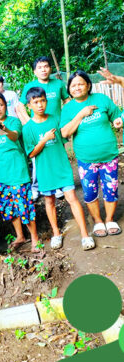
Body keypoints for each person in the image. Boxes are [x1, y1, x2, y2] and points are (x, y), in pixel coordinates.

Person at [22, 87, 94, 250]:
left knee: (72, 198)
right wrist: (45, 139)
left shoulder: (56, 119)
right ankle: (56, 233)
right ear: (29, 106)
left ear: (46, 102)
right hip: (45, 171)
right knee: (49, 201)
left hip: (62, 167)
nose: (40, 105)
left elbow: (66, 136)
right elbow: (31, 153)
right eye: (36, 102)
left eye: (42, 101)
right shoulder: (28, 128)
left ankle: (85, 235)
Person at [60, 70, 123, 238]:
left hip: (109, 156)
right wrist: (81, 114)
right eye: (73, 85)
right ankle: (97, 221)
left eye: (81, 84)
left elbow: (118, 115)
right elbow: (65, 132)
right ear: (69, 89)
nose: (77, 88)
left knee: (111, 189)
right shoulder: (68, 109)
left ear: (88, 85)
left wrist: (119, 120)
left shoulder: (101, 99)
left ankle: (109, 219)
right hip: (86, 159)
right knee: (89, 192)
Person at [0, 92, 39, 252]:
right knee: (10, 208)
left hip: (17, 172)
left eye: (0, 105)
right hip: (2, 175)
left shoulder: (14, 122)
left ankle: (35, 238)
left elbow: (14, 137)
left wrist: (5, 129)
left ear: (5, 106)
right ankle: (20, 236)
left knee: (25, 206)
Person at [17, 56, 70, 124]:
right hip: (38, 125)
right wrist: (29, 121)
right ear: (35, 72)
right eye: (39, 68)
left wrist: (64, 116)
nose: (43, 70)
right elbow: (21, 105)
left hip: (57, 124)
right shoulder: (29, 86)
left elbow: (67, 100)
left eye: (46, 66)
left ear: (50, 69)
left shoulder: (59, 84)